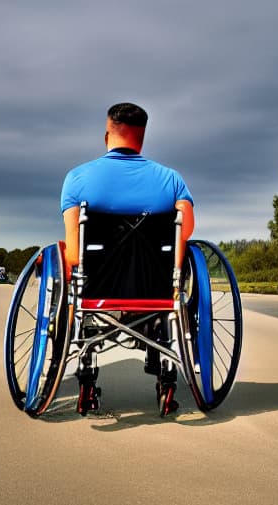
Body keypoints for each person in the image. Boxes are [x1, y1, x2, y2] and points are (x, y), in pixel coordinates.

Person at [60, 102, 195, 414]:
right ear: (142, 138)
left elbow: (72, 253)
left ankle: (87, 376)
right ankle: (165, 374)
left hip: (97, 289)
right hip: (156, 289)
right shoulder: (171, 180)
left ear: (106, 136)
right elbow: (184, 233)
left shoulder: (77, 179)